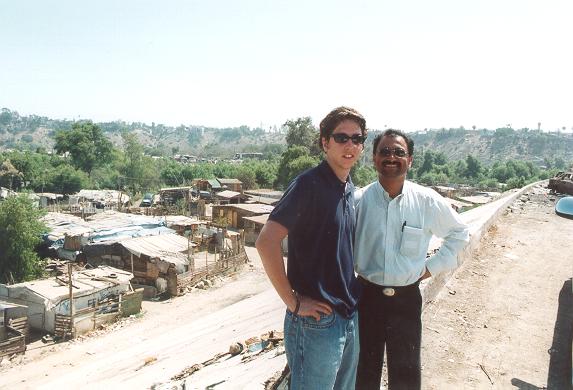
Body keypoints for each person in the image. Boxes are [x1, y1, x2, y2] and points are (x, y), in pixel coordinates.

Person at [255, 106, 367, 389]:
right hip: (318, 324)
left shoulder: (348, 188)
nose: (350, 145)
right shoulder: (309, 185)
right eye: (341, 137)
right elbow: (266, 241)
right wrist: (292, 302)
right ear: (325, 142)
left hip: (347, 316)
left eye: (357, 138)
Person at [354, 129, 470, 389]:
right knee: (363, 371)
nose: (391, 157)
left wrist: (431, 268)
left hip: (406, 300)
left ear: (410, 160)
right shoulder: (359, 201)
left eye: (399, 152)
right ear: (373, 159)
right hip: (365, 297)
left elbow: (460, 233)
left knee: (406, 372)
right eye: (384, 152)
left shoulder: (425, 201)